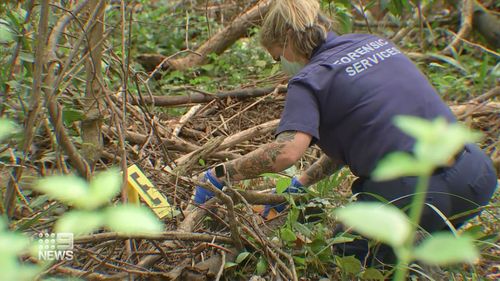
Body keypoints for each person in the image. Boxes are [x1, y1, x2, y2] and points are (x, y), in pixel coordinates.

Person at [193, 0, 497, 266]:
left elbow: (285, 152)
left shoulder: (311, 78)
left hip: (420, 192)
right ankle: (416, 254)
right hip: (477, 177)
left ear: (287, 41)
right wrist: (301, 183)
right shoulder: (374, 44)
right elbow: (366, 131)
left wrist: (220, 174)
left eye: (276, 57)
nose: (280, 65)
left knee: (348, 250)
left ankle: (405, 256)